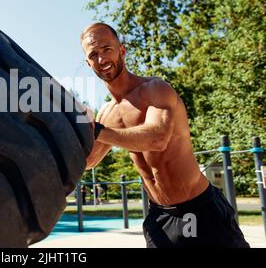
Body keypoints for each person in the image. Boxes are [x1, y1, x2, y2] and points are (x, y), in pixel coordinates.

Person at [81, 22, 249, 248]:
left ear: (122, 50)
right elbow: (89, 161)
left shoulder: (155, 89)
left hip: (200, 209)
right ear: (88, 62)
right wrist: (72, 127)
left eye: (106, 49)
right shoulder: (106, 114)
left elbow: (157, 139)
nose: (101, 59)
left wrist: (99, 131)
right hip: (160, 218)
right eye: (93, 54)